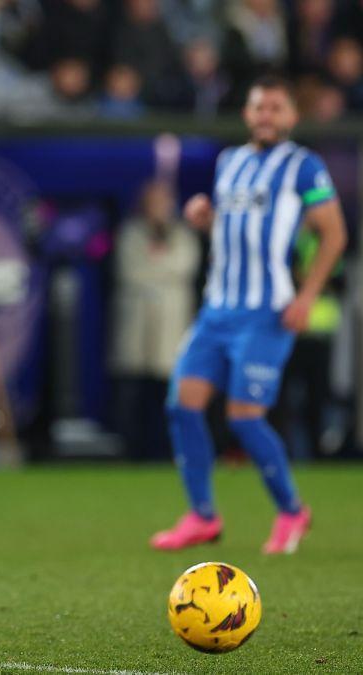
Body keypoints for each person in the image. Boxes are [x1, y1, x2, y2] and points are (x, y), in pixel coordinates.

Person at [151, 75, 346, 555]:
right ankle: (201, 517)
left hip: (267, 311)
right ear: (247, 113)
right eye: (260, 108)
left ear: (291, 117)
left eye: (276, 109)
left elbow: (334, 235)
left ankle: (291, 510)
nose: (266, 116)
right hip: (217, 308)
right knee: (182, 404)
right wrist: (206, 219)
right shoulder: (229, 161)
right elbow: (240, 227)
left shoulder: (304, 166)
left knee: (244, 418)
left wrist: (307, 297)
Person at [111, 179, 200, 461]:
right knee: (133, 397)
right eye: (154, 202)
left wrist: (156, 267)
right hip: (137, 332)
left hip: (171, 334)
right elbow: (131, 271)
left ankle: (165, 453)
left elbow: (184, 268)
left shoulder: (183, 234)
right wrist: (164, 271)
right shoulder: (131, 232)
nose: (159, 208)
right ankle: (131, 454)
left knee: (167, 398)